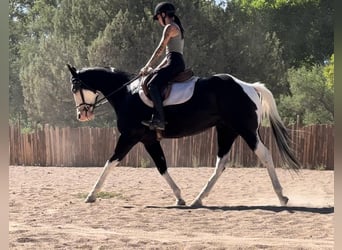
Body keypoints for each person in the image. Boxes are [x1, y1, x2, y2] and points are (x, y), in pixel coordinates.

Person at [140, 2, 185, 131]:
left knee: (152, 85)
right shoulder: (177, 27)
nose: (158, 20)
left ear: (164, 14)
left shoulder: (170, 27)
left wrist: (146, 66)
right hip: (175, 61)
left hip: (174, 62)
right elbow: (168, 55)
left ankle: (159, 119)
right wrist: (155, 69)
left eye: (158, 17)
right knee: (154, 78)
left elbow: (160, 49)